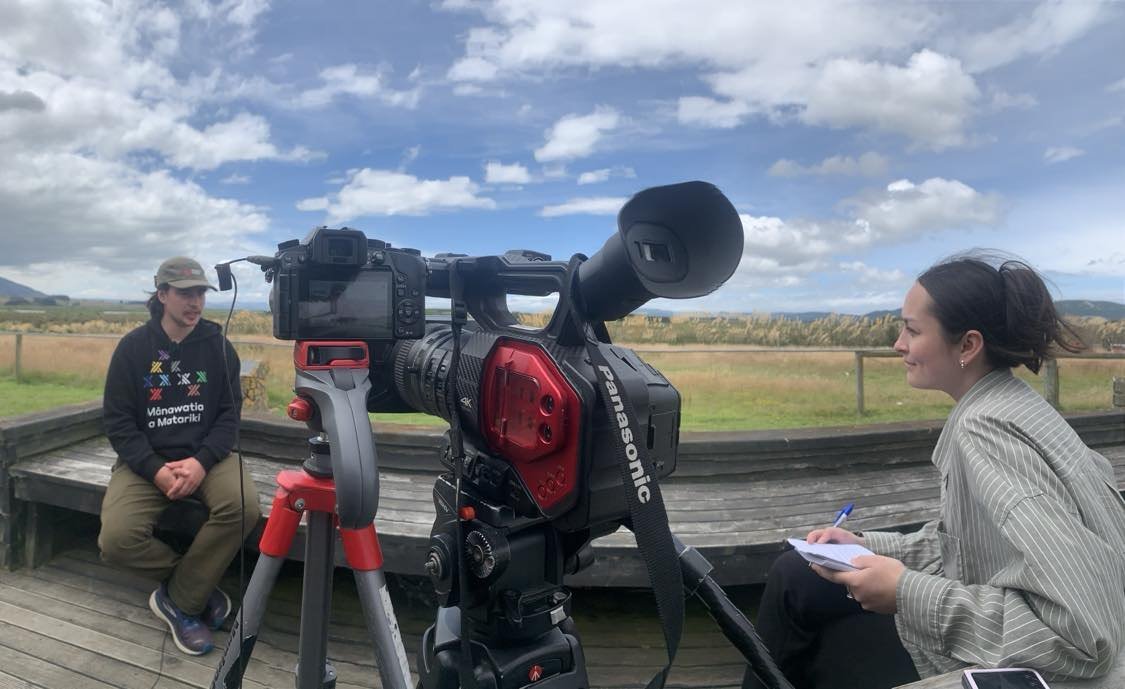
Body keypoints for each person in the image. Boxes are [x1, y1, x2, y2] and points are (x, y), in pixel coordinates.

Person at [748, 254, 1125, 689]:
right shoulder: (1012, 403)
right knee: (797, 573)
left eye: (912, 329)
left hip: (1044, 667)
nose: (898, 344)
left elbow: (1081, 637)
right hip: (1018, 618)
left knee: (805, 615)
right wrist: (867, 545)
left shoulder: (986, 432)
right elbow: (968, 545)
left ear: (967, 345)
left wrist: (907, 592)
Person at [98, 256, 260, 656]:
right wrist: (154, 470)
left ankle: (179, 604)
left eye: (201, 293)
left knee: (243, 507)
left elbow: (229, 414)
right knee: (116, 540)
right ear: (162, 295)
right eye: (186, 293)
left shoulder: (218, 346)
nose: (196, 302)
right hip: (145, 462)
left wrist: (202, 461)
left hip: (209, 457)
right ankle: (194, 590)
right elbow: (118, 422)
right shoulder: (133, 349)